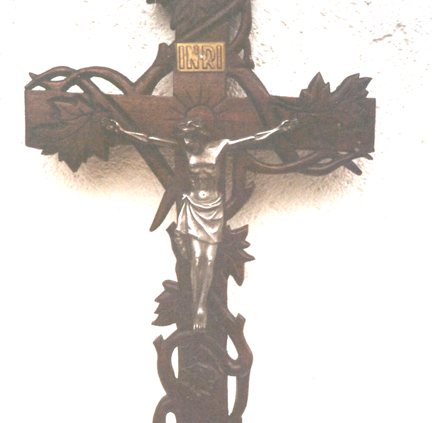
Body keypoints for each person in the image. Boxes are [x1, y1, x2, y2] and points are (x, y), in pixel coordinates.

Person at [102, 110, 296, 330]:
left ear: (200, 135)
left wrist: (278, 130)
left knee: (210, 259)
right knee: (196, 257)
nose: (186, 142)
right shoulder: (185, 150)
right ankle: (199, 307)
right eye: (184, 138)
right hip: (194, 205)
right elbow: (149, 139)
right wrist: (121, 131)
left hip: (213, 208)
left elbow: (252, 139)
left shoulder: (220, 147)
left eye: (190, 138)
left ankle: (202, 303)